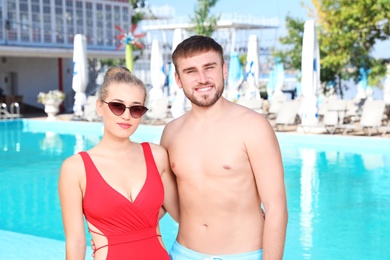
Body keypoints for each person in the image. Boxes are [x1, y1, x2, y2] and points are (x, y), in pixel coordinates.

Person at [160, 35, 288, 259]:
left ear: (224, 70)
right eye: (190, 71)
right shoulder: (171, 133)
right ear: (178, 79)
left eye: (209, 67)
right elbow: (165, 202)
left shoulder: (254, 127)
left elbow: (276, 210)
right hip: (182, 253)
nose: (202, 78)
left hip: (242, 254)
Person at [58, 67, 179, 260]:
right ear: (99, 106)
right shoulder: (75, 168)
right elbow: (75, 242)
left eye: (136, 108)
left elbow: (180, 213)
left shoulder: (157, 156)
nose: (126, 115)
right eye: (117, 106)